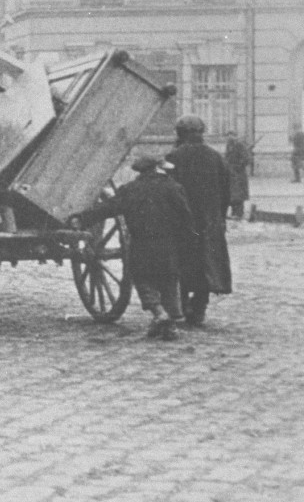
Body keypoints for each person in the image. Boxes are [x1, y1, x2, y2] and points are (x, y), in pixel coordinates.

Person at [70, 157, 194, 341]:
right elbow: (186, 216)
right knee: (169, 279)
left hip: (142, 242)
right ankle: (171, 322)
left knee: (143, 279)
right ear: (158, 169)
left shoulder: (129, 189)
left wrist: (81, 219)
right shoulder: (173, 187)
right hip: (169, 243)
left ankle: (159, 314)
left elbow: (108, 209)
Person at [166, 114, 232, 326]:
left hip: (183, 220)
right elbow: (226, 190)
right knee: (208, 262)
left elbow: (168, 190)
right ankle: (200, 307)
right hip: (210, 220)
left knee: (182, 261)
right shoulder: (215, 156)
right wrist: (220, 216)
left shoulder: (174, 157)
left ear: (180, 133)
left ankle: (183, 303)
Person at [224, 130, 252, 219]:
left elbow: (247, 159)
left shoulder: (240, 145)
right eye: (228, 136)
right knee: (232, 195)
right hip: (230, 174)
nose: (229, 137)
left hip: (239, 175)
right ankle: (234, 213)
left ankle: (239, 213)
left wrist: (238, 166)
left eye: (231, 135)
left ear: (235, 136)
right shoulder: (229, 146)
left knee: (238, 196)